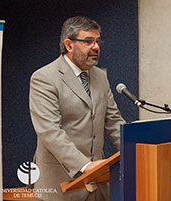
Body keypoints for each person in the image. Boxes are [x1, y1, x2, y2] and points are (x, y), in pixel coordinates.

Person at [29, 16, 125, 201]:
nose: (96, 47)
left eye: (97, 41)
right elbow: (49, 131)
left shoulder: (100, 76)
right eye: (88, 41)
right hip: (61, 184)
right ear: (69, 45)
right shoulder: (44, 78)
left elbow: (113, 121)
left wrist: (135, 151)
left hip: (98, 183)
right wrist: (85, 165)